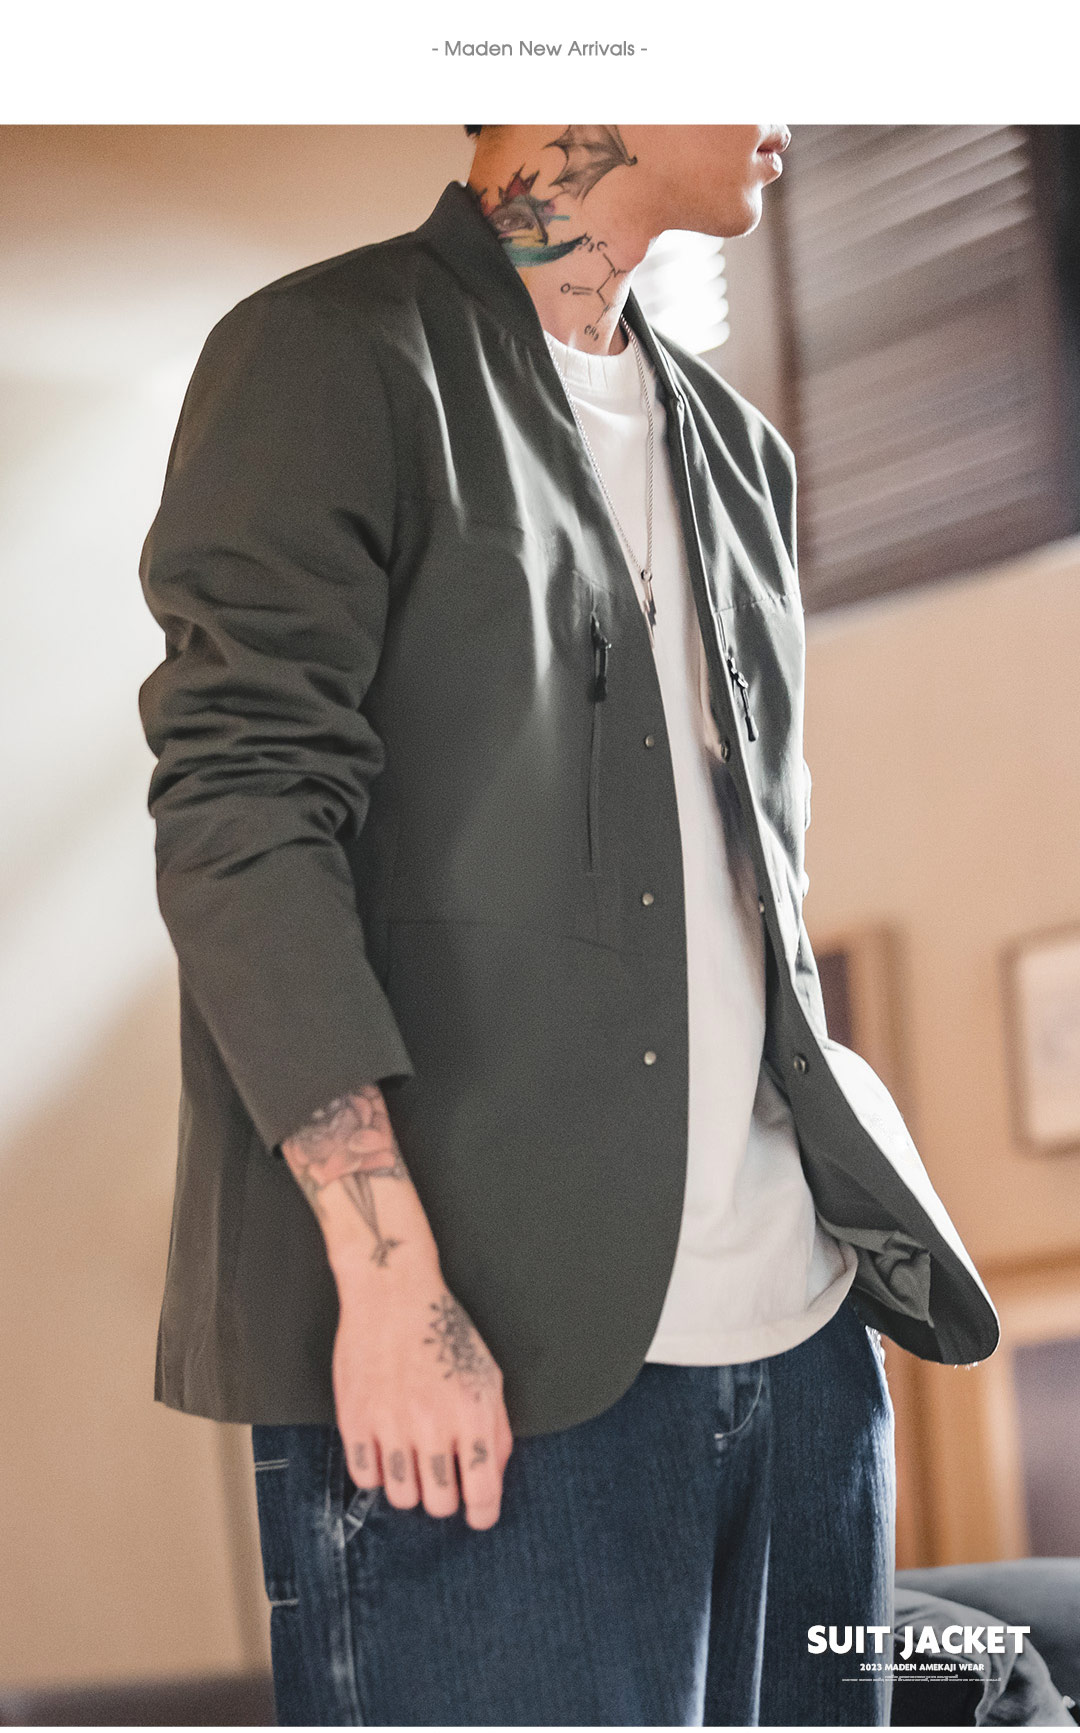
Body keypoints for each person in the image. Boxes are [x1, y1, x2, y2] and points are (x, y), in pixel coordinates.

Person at [138, 124, 999, 1725]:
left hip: (808, 1364)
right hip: (491, 1363)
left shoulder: (741, 451)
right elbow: (240, 811)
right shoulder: (329, 356)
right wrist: (391, 1282)